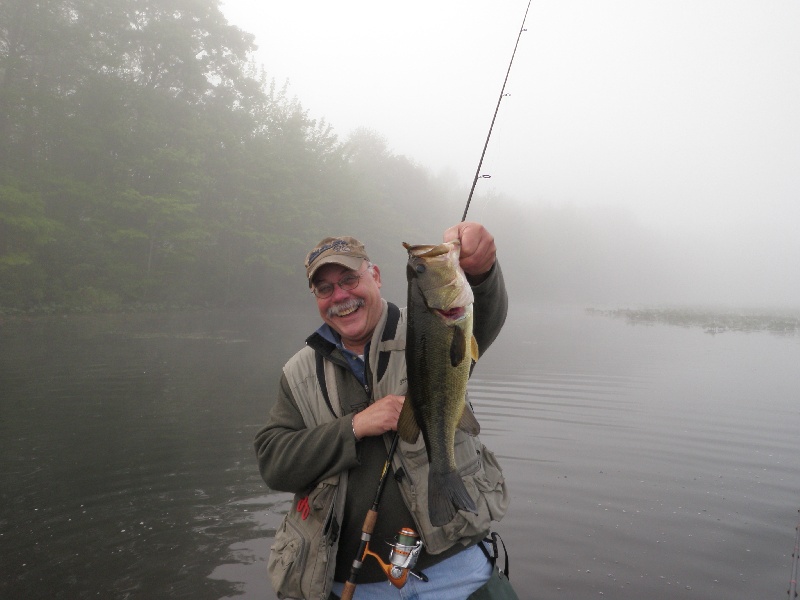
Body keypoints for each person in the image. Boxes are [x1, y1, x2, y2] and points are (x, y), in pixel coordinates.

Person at [254, 222, 511, 600]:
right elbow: (273, 462)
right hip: (354, 584)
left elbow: (486, 311)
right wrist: (354, 427)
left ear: (374, 276)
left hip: (456, 571)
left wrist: (483, 271)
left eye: (349, 279)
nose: (340, 295)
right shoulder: (299, 373)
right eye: (325, 288)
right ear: (315, 297)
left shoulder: (432, 322)